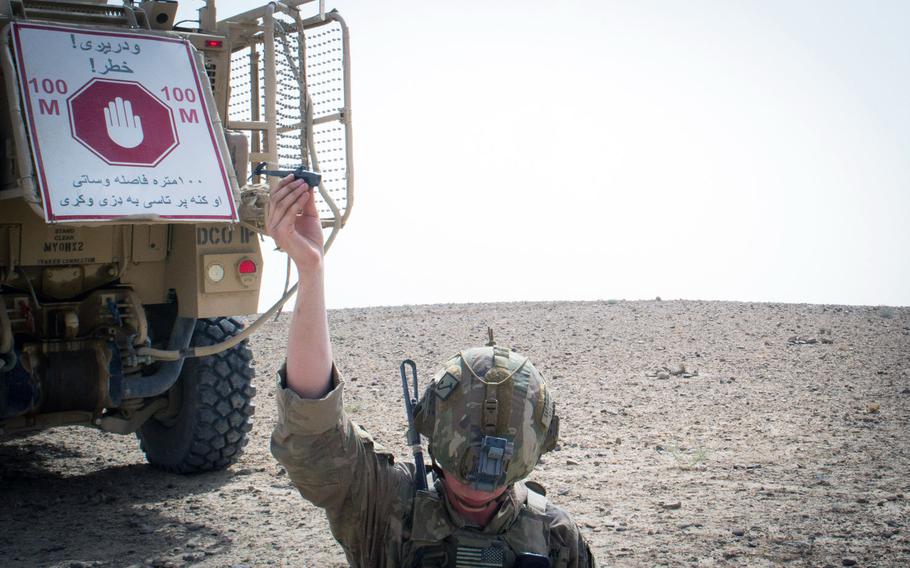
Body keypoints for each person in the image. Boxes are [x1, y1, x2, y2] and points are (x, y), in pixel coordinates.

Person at [267, 175, 596, 567]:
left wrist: (311, 270)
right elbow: (314, 431)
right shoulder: (388, 505)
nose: (479, 476)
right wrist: (311, 270)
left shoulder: (555, 537)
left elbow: (313, 437)